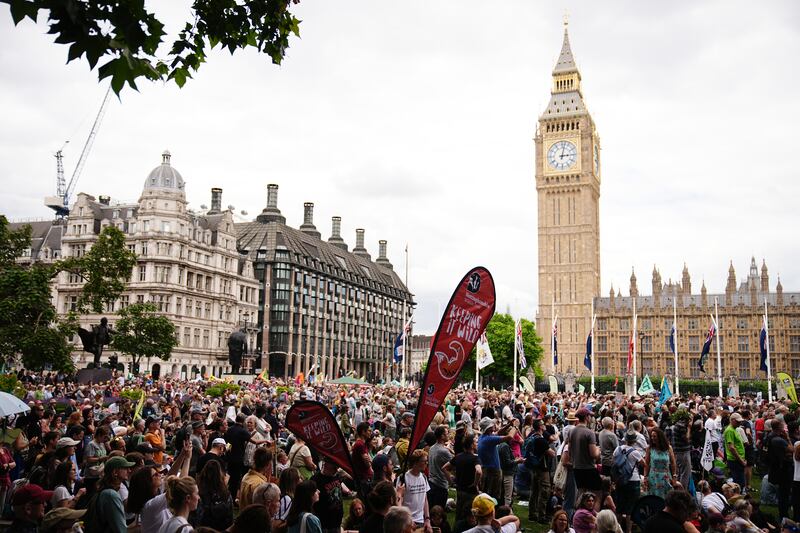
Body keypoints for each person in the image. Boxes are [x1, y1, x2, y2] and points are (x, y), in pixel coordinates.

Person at [84, 456, 135, 533]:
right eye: (125, 468)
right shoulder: (110, 495)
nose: (129, 470)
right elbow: (121, 530)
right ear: (115, 472)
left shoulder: (106, 491)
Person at [444, 433, 482, 521]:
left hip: (460, 490)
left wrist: (451, 481)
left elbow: (444, 468)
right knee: (470, 517)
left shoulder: (458, 457)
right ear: (472, 445)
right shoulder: (475, 458)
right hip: (471, 492)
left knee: (459, 514)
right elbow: (479, 471)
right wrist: (475, 484)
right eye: (476, 442)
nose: (477, 444)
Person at [612, 430, 644, 533]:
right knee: (631, 507)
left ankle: (617, 529)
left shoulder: (617, 449)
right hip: (633, 480)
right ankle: (629, 530)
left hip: (620, 480)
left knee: (620, 507)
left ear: (625, 439)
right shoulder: (635, 452)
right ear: (634, 441)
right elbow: (643, 464)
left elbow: (614, 461)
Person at [526, 418, 555, 523]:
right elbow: (552, 453)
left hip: (534, 467)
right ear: (540, 426)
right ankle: (541, 516)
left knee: (534, 491)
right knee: (544, 492)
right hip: (543, 468)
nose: (545, 425)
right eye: (543, 424)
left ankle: (532, 514)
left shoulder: (532, 436)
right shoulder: (541, 440)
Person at [476, 418, 511, 501]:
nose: (494, 426)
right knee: (493, 496)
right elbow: (509, 437)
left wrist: (509, 425)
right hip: (493, 472)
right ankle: (492, 511)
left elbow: (498, 433)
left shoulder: (483, 437)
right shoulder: (488, 439)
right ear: (488, 428)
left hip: (488, 470)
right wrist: (515, 427)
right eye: (492, 425)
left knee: (487, 494)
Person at [312, 459, 351, 533]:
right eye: (334, 468)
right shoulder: (315, 480)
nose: (336, 470)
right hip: (325, 522)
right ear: (325, 465)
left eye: (336, 468)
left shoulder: (336, 475)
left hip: (337, 519)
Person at [194, 459, 233, 531]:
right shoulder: (226, 494)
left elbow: (196, 517)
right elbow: (229, 518)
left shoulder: (198, 493)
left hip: (202, 529)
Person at [398, 449, 431, 532]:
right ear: (416, 462)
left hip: (420, 520)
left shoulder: (423, 477)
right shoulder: (403, 478)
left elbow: (425, 499)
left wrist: (427, 519)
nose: (426, 463)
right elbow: (398, 501)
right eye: (424, 461)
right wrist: (407, 519)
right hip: (407, 521)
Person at [767, 418, 794, 519]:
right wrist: (787, 438)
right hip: (782, 470)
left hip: (774, 467)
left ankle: (782, 513)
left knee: (782, 493)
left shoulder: (769, 436)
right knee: (784, 494)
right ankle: (783, 515)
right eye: (783, 425)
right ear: (780, 427)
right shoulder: (779, 440)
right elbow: (792, 450)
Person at [643, 427, 676, 499]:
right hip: (653, 478)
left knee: (667, 498)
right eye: (651, 436)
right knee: (654, 499)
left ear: (660, 437)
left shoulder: (668, 448)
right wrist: (645, 477)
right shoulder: (650, 448)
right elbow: (646, 464)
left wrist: (674, 476)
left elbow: (673, 463)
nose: (652, 438)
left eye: (654, 436)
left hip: (666, 477)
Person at [428, 425, 453, 510]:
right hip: (440, 485)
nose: (448, 435)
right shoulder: (443, 451)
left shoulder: (432, 448)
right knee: (439, 512)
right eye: (447, 433)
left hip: (432, 482)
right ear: (442, 436)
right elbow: (455, 462)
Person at [725, 412, 747, 487]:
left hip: (738, 459)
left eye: (740, 421)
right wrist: (741, 460)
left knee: (740, 481)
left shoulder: (735, 429)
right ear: (732, 420)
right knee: (739, 483)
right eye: (738, 421)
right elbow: (731, 448)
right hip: (735, 460)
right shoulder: (730, 430)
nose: (740, 423)